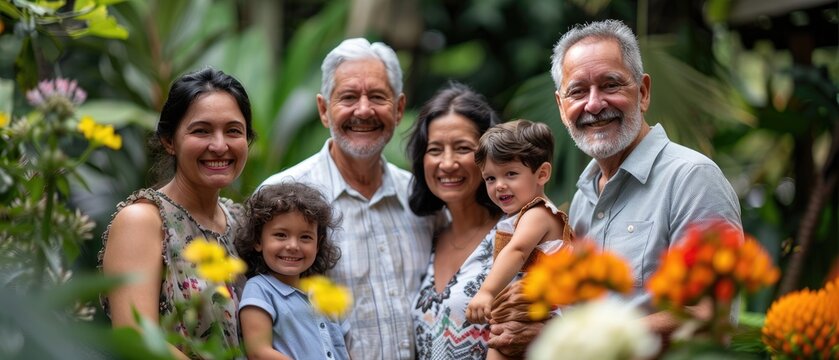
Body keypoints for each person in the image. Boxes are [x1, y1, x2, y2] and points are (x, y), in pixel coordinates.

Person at [550, 19, 742, 333]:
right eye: (578, 91)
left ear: (643, 92)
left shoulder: (692, 178)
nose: (594, 104)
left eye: (610, 84)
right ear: (561, 107)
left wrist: (593, 343)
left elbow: (709, 313)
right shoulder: (584, 195)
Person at [260, 38, 444, 359]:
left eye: (377, 97)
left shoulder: (423, 197)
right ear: (323, 110)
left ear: (399, 109)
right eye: (348, 97)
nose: (363, 110)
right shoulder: (281, 196)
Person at [99, 67, 255, 359]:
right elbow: (135, 336)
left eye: (233, 131)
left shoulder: (243, 222)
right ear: (170, 141)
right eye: (201, 130)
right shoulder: (144, 220)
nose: (220, 145)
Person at [406, 82, 503, 359]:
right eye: (435, 150)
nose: (447, 163)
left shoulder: (519, 232)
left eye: (462, 148)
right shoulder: (431, 235)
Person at [466, 119, 575, 360]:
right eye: (490, 178)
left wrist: (487, 292)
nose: (499, 186)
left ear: (542, 173)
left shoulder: (537, 213)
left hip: (543, 310)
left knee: (500, 345)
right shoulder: (524, 215)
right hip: (532, 308)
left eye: (511, 174)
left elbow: (517, 251)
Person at [235, 182, 348, 360]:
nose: (293, 246)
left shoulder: (324, 293)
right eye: (281, 235)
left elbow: (342, 348)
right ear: (258, 241)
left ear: (318, 244)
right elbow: (258, 352)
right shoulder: (260, 289)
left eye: (305, 237)